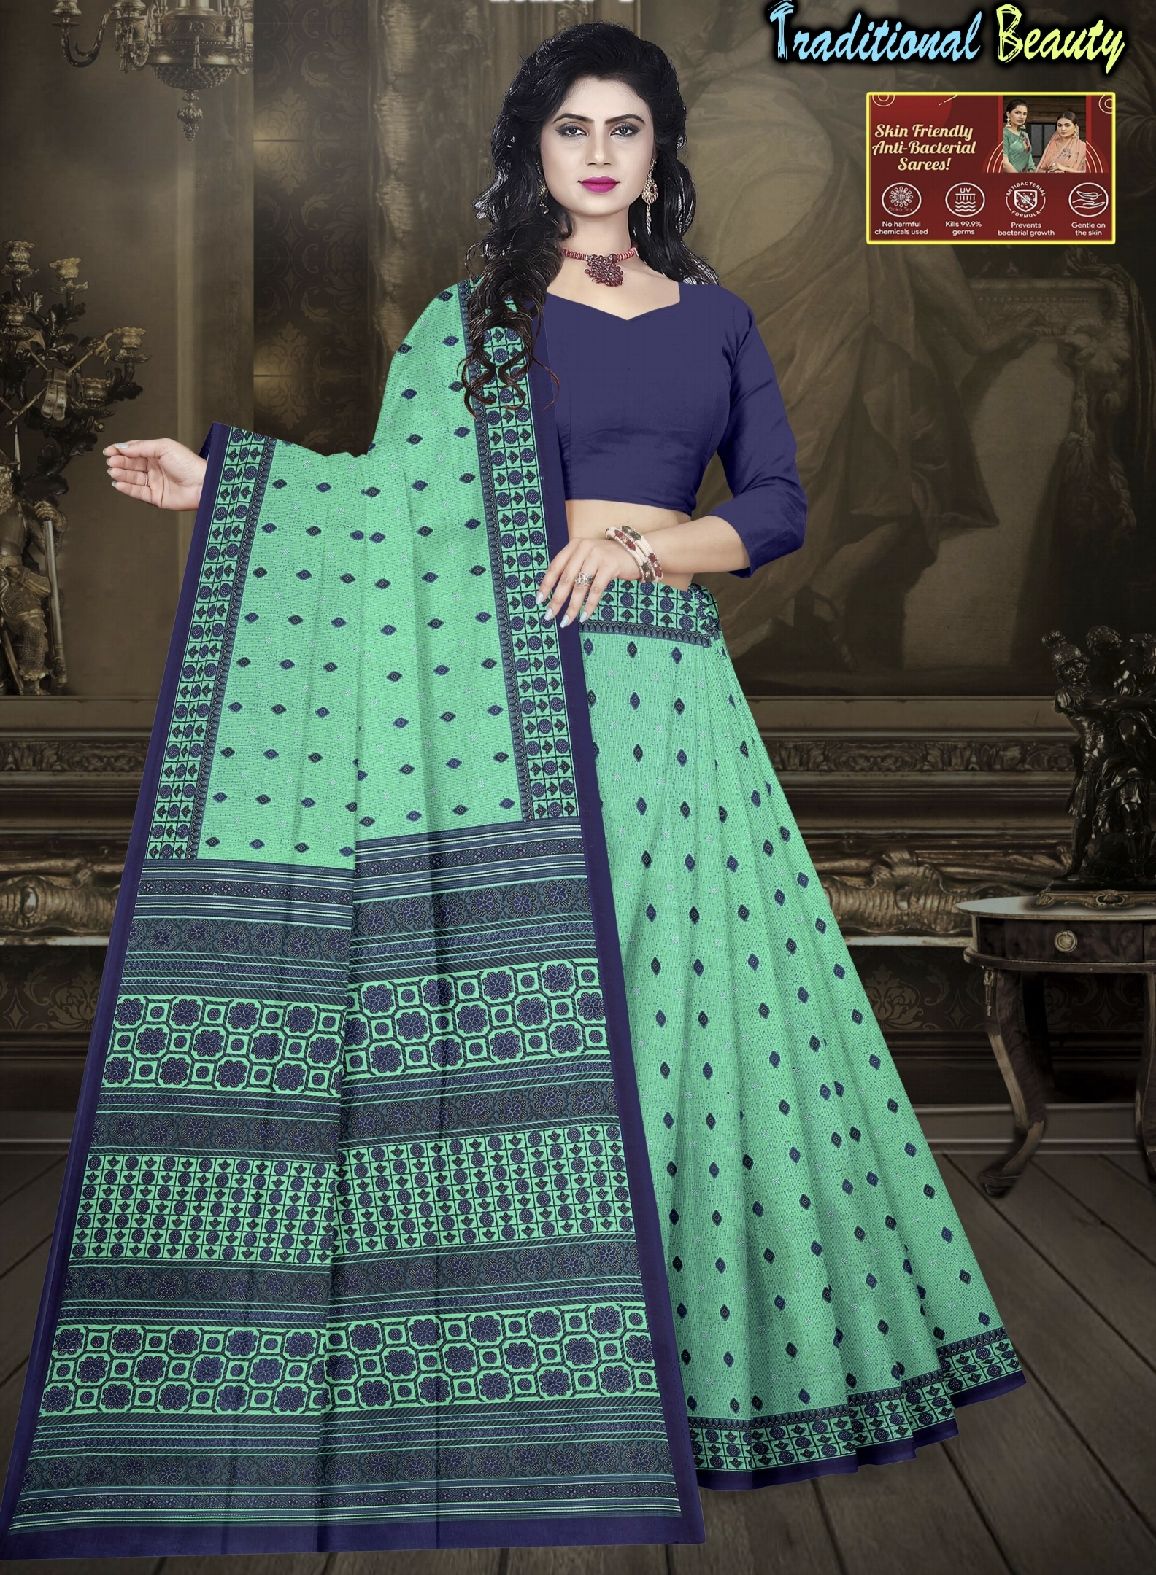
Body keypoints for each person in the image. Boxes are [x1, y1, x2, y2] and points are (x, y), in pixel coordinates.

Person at [0, 21, 1026, 1560]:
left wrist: (633, 544)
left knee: (687, 1021)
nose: (600, 154)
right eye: (571, 130)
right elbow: (388, 510)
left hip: (669, 703)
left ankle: (702, 1388)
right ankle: (520, 1377)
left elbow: (777, 507)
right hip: (500, 710)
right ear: (535, 156)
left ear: (660, 156)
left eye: (626, 129)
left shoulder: (718, 317)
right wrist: (231, 482)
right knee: (521, 1034)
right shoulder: (467, 325)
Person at [1036, 108, 1088, 172]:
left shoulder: (1082, 147)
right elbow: (1040, 169)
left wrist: (1064, 168)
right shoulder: (1052, 144)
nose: (1063, 129)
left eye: (1067, 125)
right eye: (1059, 125)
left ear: (1075, 127)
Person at [1002, 98, 1036, 171]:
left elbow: (1029, 159)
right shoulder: (1003, 134)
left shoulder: (1024, 135)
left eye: (1024, 114)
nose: (1021, 116)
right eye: (1017, 113)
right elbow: (1004, 163)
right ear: (1008, 114)